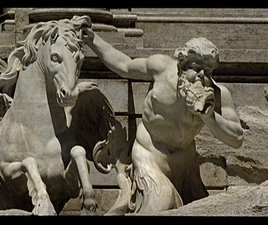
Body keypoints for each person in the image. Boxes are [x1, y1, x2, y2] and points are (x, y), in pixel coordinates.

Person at [83, 28, 243, 214]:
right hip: (149, 156)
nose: (201, 76)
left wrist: (209, 117)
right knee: (161, 204)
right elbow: (124, 65)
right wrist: (93, 40)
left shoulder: (218, 94)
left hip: (186, 167)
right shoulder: (161, 69)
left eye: (207, 71)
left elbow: (237, 139)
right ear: (182, 64)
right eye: (196, 67)